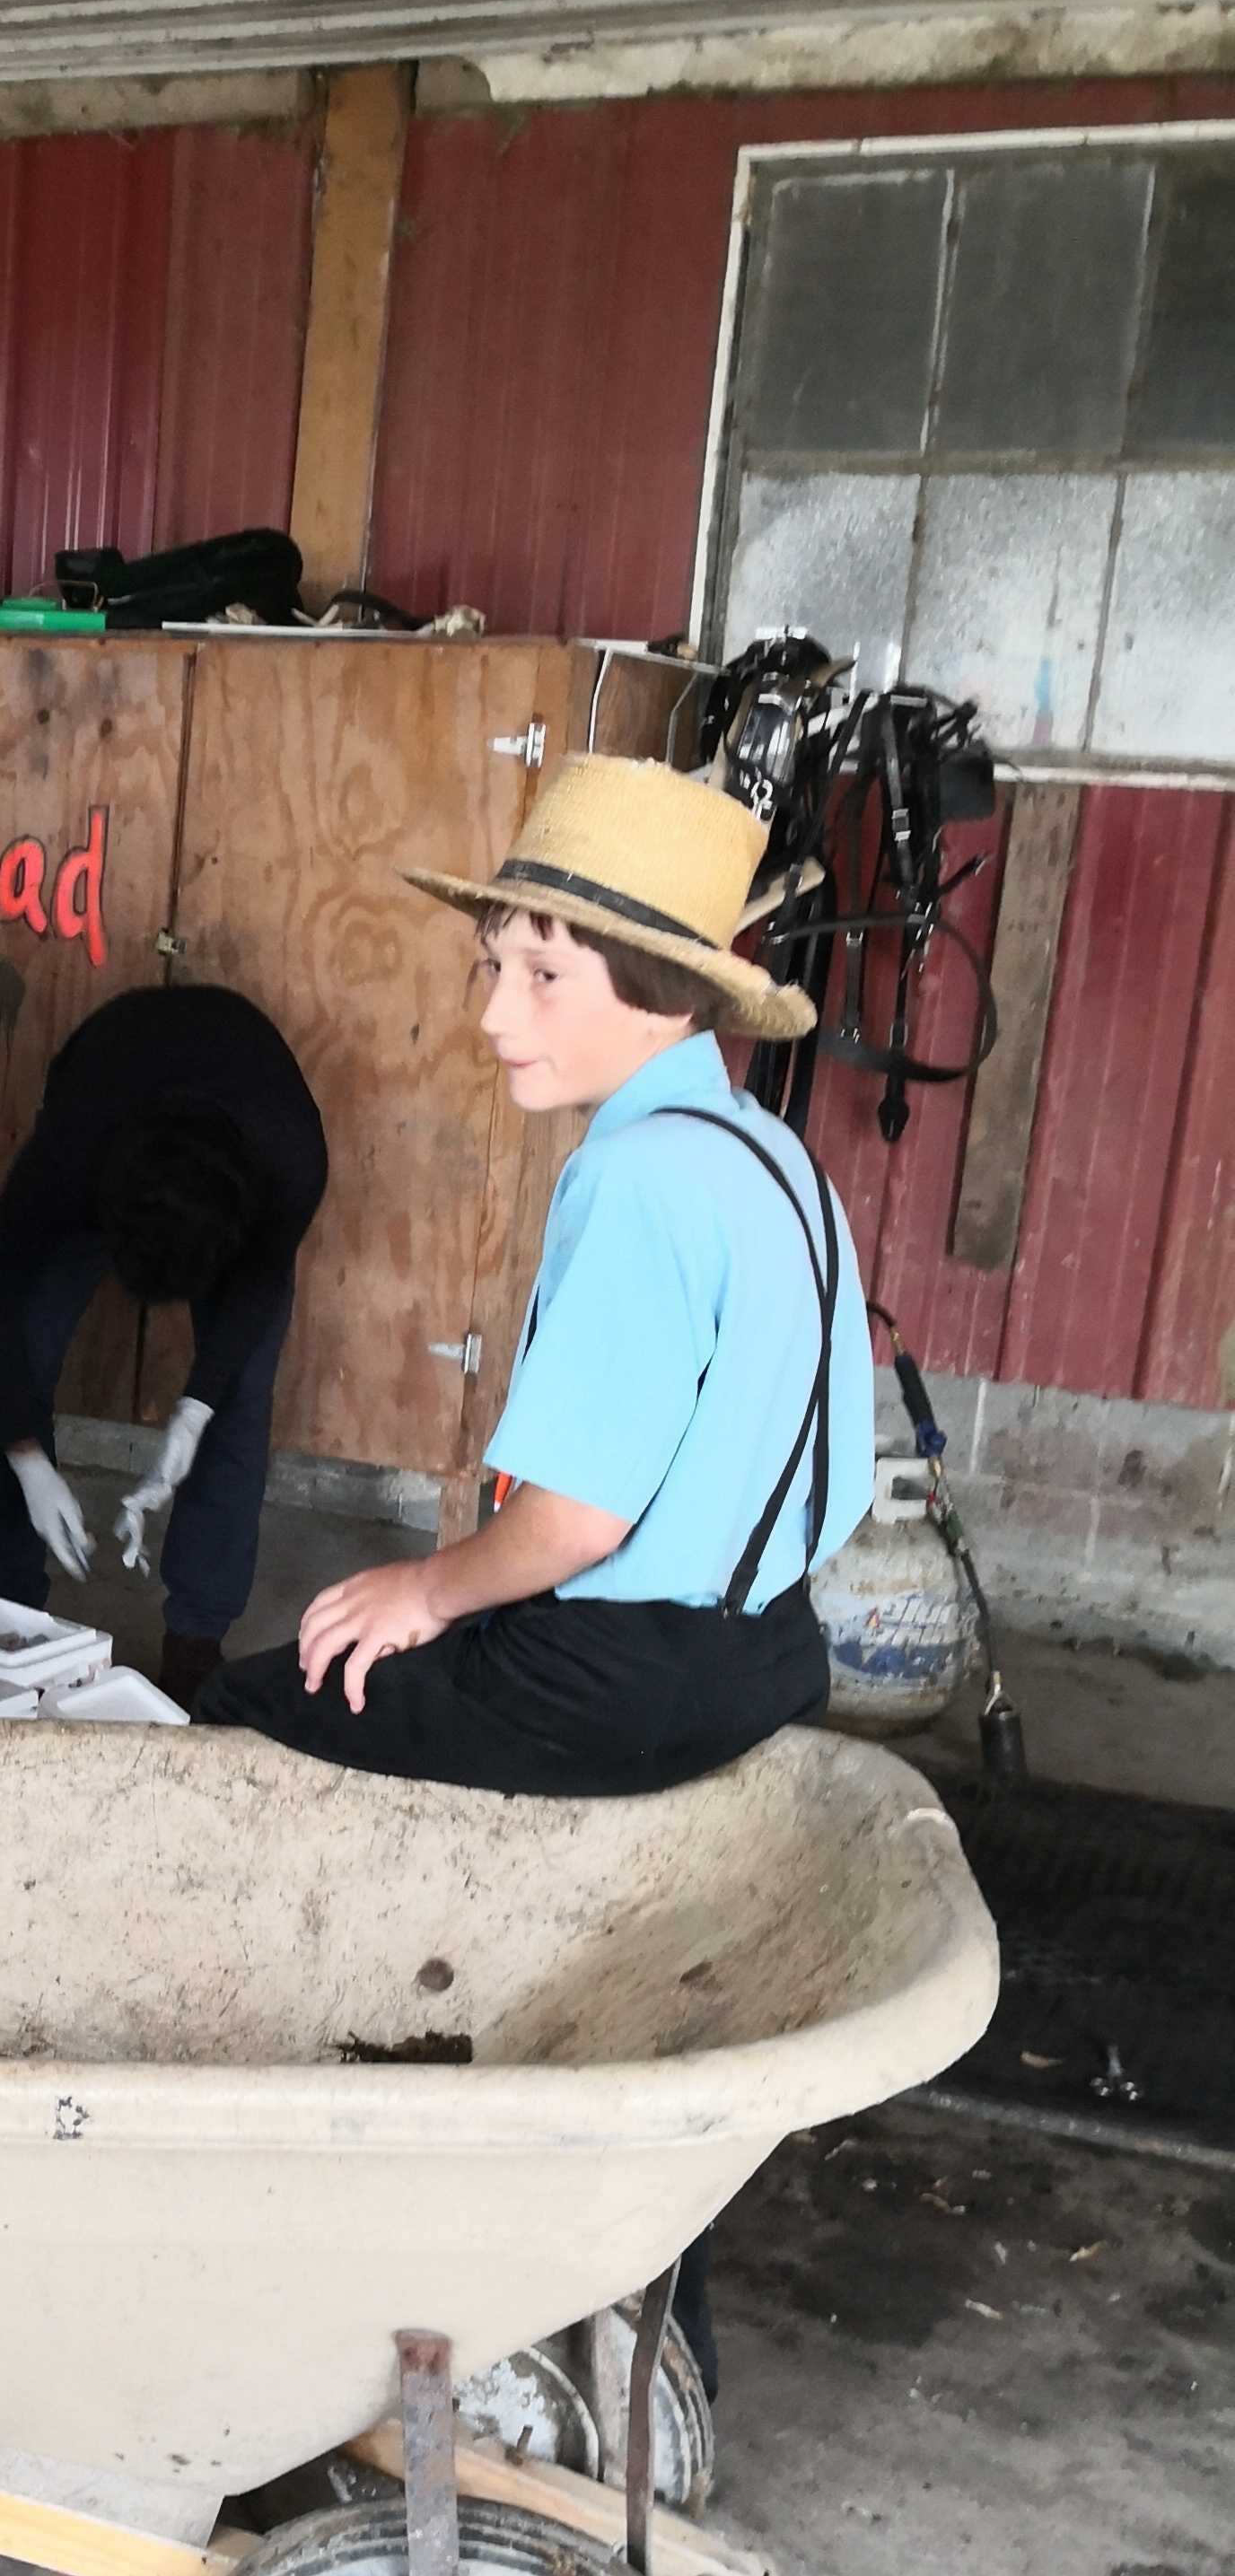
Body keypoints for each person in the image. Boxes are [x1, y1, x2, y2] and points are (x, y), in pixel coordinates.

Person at [197, 754, 874, 2401]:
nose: (496, 1010)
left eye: (542, 973)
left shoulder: (634, 1178)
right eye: (494, 961)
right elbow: (834, 1476)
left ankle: (276, 2209)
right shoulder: (762, 1153)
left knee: (250, 1700)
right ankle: (633, 2291)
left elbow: (571, 1518)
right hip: (767, 1648)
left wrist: (431, 1587)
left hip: (621, 1670)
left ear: (657, 992)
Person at [0, 985, 328, 1708]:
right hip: (111, 1092)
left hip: (245, 1137)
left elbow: (252, 1298)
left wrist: (194, 1410)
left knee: (239, 1393)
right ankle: (4, 1614)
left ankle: (197, 1638)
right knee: (20, 1359)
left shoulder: (292, 1160)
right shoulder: (72, 1149)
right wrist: (28, 1460)